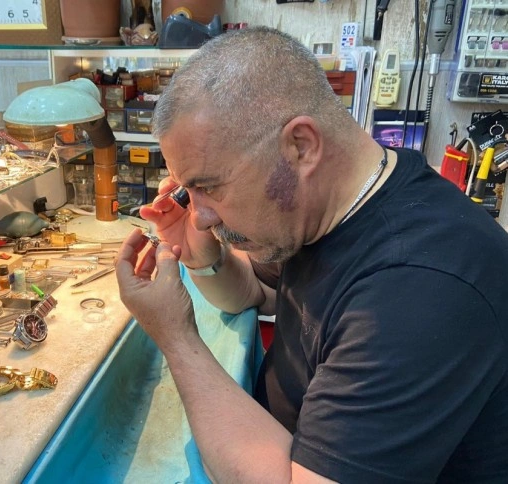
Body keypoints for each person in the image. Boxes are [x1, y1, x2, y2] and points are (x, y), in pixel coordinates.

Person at [115, 26, 508, 483]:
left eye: (209, 186)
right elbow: (253, 293)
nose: (199, 216)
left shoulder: (420, 291)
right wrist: (204, 259)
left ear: (301, 146)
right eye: (189, 191)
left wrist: (176, 338)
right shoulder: (335, 201)